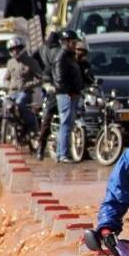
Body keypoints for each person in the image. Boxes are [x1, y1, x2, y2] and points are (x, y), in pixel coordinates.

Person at [52, 30, 84, 163]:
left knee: (67, 124)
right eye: (73, 42)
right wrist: (70, 91)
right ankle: (63, 154)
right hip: (66, 94)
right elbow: (60, 79)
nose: (75, 45)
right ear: (65, 42)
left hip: (71, 93)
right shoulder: (61, 57)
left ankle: (62, 153)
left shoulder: (69, 56)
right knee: (65, 123)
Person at [4, 37, 43, 134]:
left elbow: (40, 78)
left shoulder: (31, 62)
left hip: (25, 92)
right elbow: (6, 78)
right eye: (12, 49)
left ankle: (32, 126)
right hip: (12, 92)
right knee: (5, 107)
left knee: (20, 103)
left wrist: (28, 85)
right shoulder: (10, 63)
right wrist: (8, 85)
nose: (15, 51)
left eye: (17, 49)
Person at [35, 31, 62, 160]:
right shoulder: (54, 57)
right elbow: (46, 72)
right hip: (55, 93)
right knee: (47, 117)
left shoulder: (71, 57)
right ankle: (41, 147)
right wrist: (48, 84)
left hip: (71, 93)